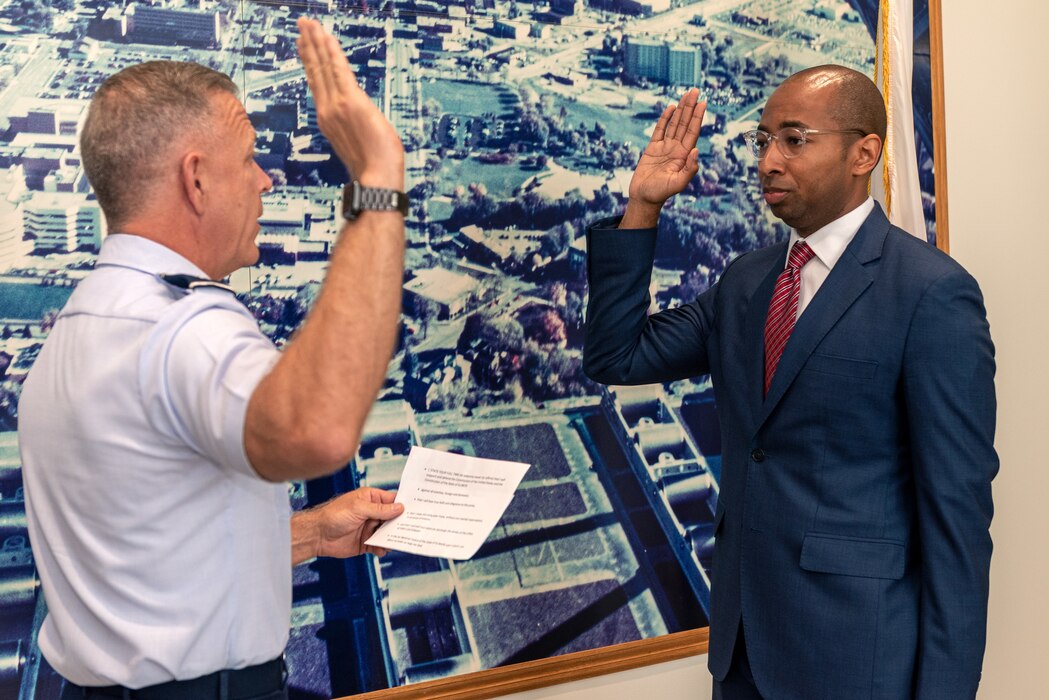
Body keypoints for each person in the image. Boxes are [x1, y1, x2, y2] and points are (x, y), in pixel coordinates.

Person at [18, 18, 408, 700]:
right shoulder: (184, 326)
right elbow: (316, 430)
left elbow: (141, 560)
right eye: (249, 158)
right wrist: (377, 179)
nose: (265, 181)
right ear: (196, 180)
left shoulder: (84, 324)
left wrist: (310, 533)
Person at [583, 65, 997, 699]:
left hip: (857, 664)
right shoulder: (747, 281)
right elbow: (618, 355)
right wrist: (643, 205)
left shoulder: (931, 294)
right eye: (763, 140)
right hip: (742, 656)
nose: (768, 161)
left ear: (865, 153)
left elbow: (956, 526)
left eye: (795, 139)